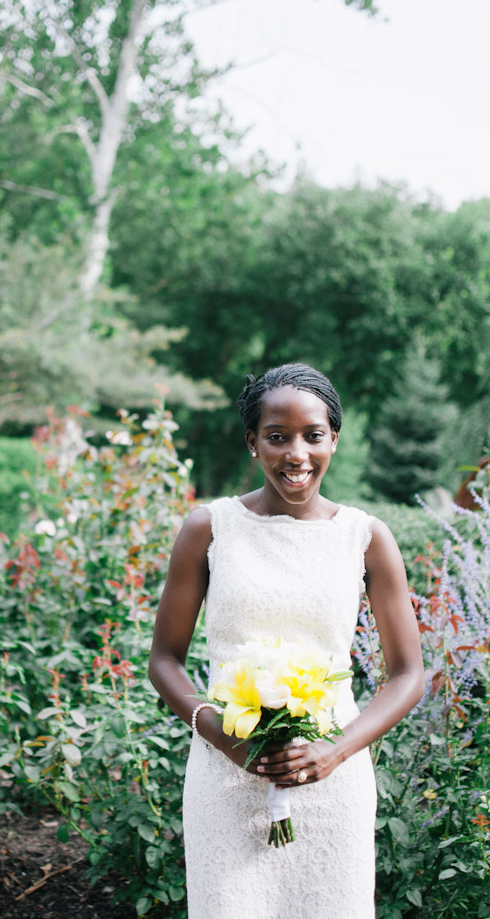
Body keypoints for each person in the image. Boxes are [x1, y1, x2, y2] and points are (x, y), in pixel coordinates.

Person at [148, 363, 424, 919]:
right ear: (253, 442)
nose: (296, 453)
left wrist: (336, 750)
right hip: (225, 777)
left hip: (332, 781)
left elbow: (408, 675)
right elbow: (164, 660)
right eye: (277, 437)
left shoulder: (366, 537)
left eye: (312, 436)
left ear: (334, 440)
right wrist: (223, 737)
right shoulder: (210, 527)